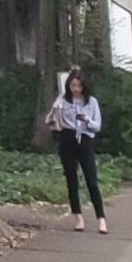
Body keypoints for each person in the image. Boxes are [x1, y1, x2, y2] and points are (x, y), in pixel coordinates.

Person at [45, 69, 107, 233]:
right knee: (71, 179)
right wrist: (55, 110)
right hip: (67, 138)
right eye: (73, 85)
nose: (76, 89)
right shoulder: (63, 100)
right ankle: (78, 216)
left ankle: (101, 218)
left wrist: (87, 120)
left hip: (85, 139)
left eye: (79, 86)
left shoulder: (91, 102)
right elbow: (49, 120)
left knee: (91, 179)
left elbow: (97, 125)